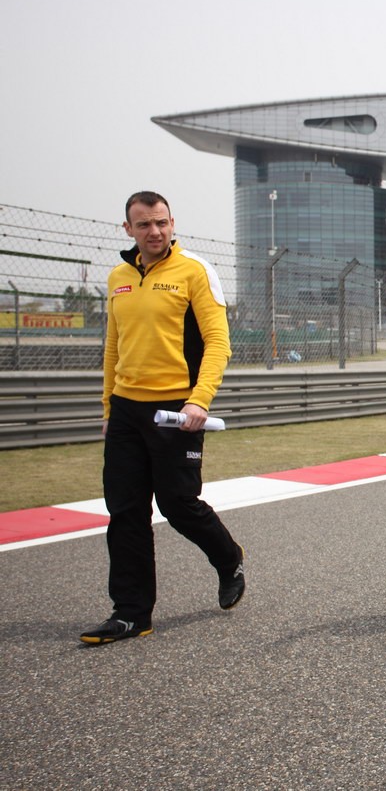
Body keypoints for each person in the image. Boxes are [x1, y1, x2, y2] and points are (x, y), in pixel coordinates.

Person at [81, 191, 244, 644]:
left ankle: (228, 558)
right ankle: (132, 614)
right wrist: (109, 409)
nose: (154, 232)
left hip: (177, 409)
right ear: (128, 230)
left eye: (161, 223)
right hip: (127, 410)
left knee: (178, 505)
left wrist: (199, 400)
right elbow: (113, 347)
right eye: (144, 225)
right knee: (125, 511)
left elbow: (218, 343)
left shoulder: (194, 271)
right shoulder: (118, 276)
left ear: (173, 223)